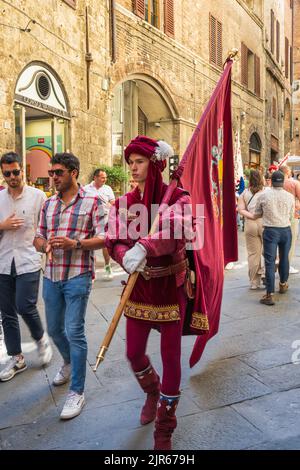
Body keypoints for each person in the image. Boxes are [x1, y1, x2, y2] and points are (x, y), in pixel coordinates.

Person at [106, 136, 191, 450]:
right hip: (138, 288)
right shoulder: (124, 203)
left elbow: (178, 228)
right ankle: (152, 391)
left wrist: (146, 245)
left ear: (155, 165)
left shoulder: (177, 197)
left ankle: (164, 428)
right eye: (130, 163)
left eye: (139, 162)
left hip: (170, 288)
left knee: (171, 358)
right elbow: (113, 238)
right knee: (133, 353)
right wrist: (122, 255)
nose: (133, 168)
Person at [33, 152, 105, 420]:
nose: (53, 177)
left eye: (58, 172)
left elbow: (105, 237)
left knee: (74, 331)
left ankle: (77, 391)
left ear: (73, 173)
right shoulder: (49, 204)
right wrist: (45, 245)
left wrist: (75, 243)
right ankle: (68, 362)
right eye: (51, 173)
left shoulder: (93, 201)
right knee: (54, 329)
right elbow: (38, 236)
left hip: (78, 275)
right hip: (51, 274)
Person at [0, 152, 52, 382]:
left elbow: (48, 225)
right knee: (6, 312)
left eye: (16, 172)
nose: (12, 177)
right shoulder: (0, 199)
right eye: (7, 173)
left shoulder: (38, 196)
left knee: (24, 305)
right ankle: (16, 357)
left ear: (24, 171)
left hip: (28, 259)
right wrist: (3, 225)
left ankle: (41, 339)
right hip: (3, 260)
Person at [250, 171, 294, 306]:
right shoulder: (289, 196)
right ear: (282, 182)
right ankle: (282, 284)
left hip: (270, 231)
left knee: (269, 261)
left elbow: (257, 213)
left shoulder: (264, 195)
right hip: (286, 230)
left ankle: (269, 294)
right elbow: (291, 215)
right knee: (284, 257)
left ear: (271, 181)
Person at [84, 169, 115, 281]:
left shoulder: (107, 189)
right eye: (102, 177)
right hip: (88, 220)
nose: (105, 179)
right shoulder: (86, 189)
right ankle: (91, 270)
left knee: (105, 243)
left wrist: (110, 206)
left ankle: (107, 266)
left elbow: (113, 204)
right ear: (95, 177)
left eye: (105, 177)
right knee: (89, 244)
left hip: (104, 219)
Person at [238, 170, 264, 289]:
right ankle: (264, 273)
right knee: (269, 252)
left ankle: (254, 282)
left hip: (250, 223)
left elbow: (240, 210)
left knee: (253, 254)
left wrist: (252, 215)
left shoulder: (244, 193)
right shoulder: (266, 191)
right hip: (265, 223)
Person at [280, 165, 300, 274]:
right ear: (288, 172)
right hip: (292, 215)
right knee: (291, 241)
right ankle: (287, 265)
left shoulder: (275, 183)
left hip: (278, 215)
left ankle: (279, 261)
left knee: (279, 241)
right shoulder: (294, 183)